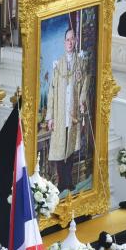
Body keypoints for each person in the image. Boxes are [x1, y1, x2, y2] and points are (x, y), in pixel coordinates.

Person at [46, 27, 90, 191]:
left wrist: (82, 101)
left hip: (73, 113)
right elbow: (51, 92)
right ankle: (61, 182)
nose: (70, 42)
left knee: (70, 147)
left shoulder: (81, 63)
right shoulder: (58, 64)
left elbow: (84, 84)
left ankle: (68, 180)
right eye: (67, 39)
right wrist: (50, 117)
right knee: (59, 147)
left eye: (72, 39)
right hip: (59, 113)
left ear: (75, 41)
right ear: (64, 42)